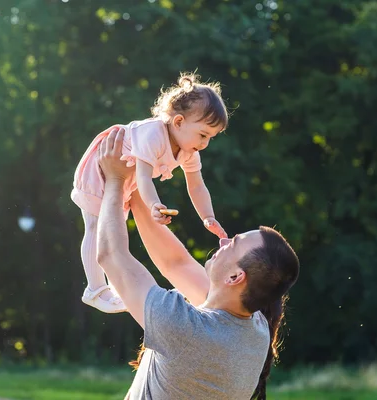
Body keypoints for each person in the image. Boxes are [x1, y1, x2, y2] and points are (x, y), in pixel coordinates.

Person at [95, 128, 300, 400]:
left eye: (234, 243)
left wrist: (115, 179)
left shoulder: (187, 330)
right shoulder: (252, 330)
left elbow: (111, 255)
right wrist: (136, 193)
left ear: (235, 277)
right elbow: (175, 263)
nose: (224, 242)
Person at [71, 73, 229, 314]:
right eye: (203, 135)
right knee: (95, 226)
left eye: (211, 138)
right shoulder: (153, 134)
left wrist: (208, 216)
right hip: (101, 167)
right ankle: (94, 288)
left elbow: (196, 185)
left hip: (123, 178)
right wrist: (154, 204)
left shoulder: (189, 150)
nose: (205, 143)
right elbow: (143, 177)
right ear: (178, 122)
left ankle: (112, 288)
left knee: (114, 229)